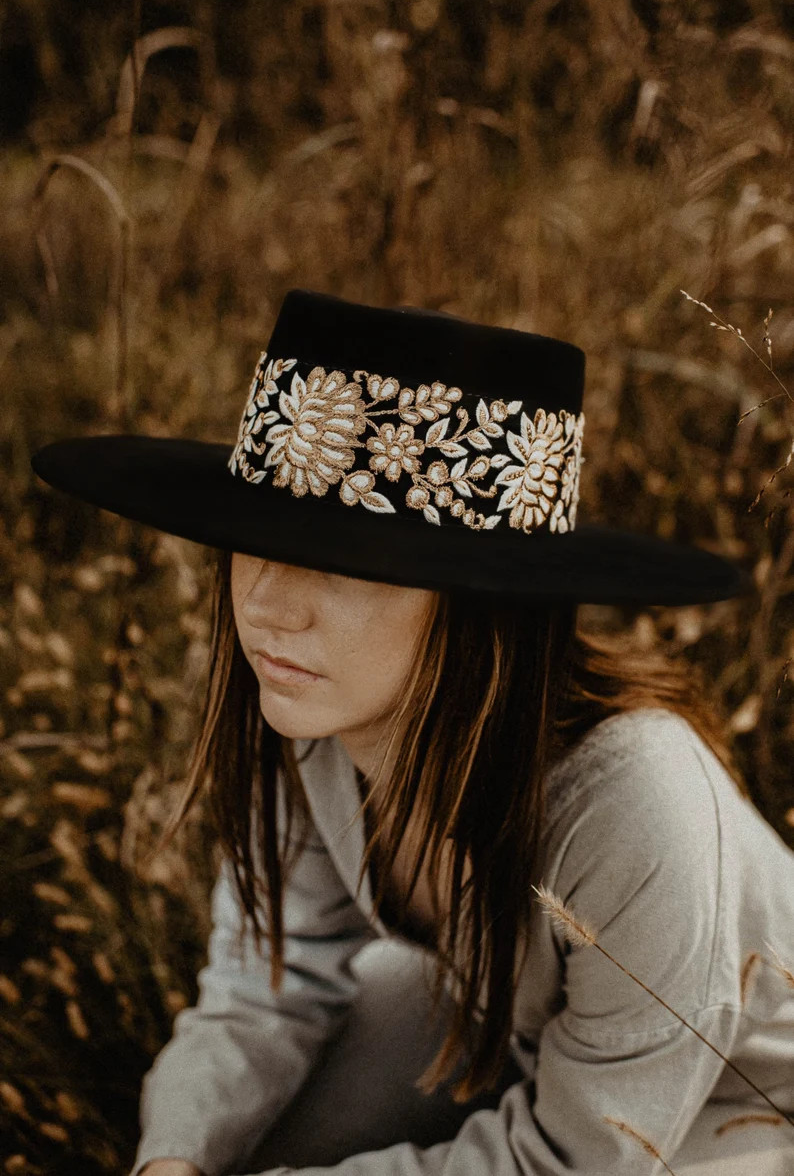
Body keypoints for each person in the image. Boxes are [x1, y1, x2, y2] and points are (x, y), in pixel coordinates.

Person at [32, 290, 794, 1176]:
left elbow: (579, 1162)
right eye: (255, 541)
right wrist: (173, 1159)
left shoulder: (639, 802)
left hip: (734, 1105)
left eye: (342, 565)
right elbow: (264, 982)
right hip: (514, 1029)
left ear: (480, 605)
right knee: (256, 1121)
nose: (268, 606)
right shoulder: (316, 712)